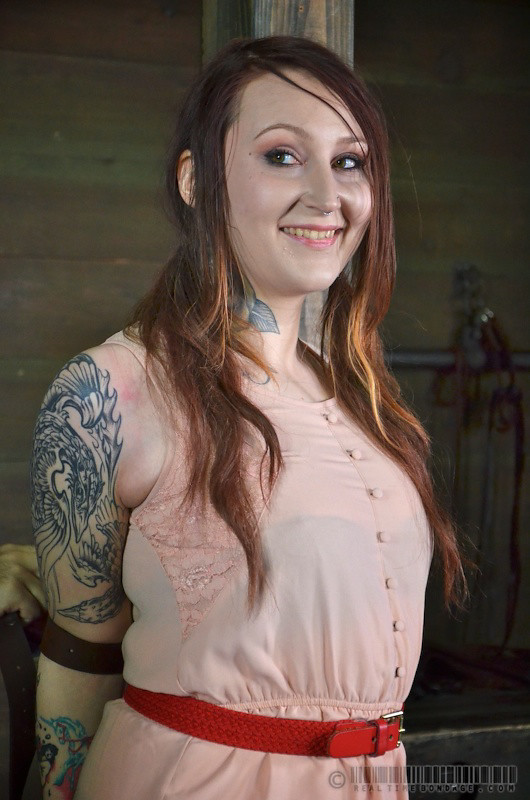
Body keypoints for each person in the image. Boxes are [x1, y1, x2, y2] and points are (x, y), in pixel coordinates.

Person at [31, 36, 466, 800]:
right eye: (282, 156)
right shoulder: (110, 392)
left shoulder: (367, 400)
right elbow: (81, 650)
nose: (328, 196)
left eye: (350, 161)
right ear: (196, 180)